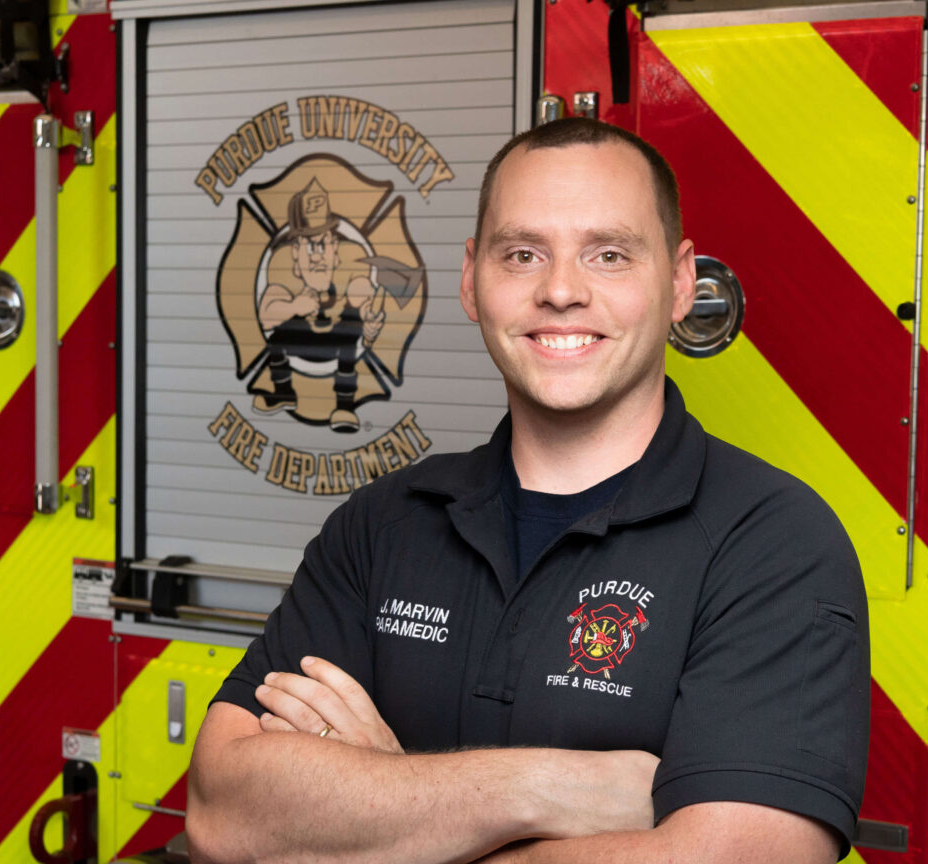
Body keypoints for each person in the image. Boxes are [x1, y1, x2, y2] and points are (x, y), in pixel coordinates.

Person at [188, 117, 870, 863]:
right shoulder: (383, 525)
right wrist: (550, 790)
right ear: (473, 279)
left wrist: (380, 809)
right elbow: (224, 814)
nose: (561, 291)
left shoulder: (773, 543)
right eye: (523, 254)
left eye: (609, 254)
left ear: (680, 284)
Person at [255, 178, 388, 431]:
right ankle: (283, 391)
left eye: (323, 244)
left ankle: (345, 406)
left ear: (335, 247)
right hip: (304, 341)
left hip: (338, 343)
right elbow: (266, 315)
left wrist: (369, 319)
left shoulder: (352, 259)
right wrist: (295, 305)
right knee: (276, 340)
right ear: (295, 251)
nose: (317, 256)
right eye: (309, 245)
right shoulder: (280, 263)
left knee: (351, 332)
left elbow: (362, 293)